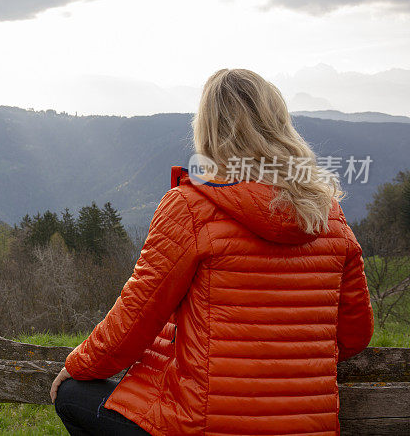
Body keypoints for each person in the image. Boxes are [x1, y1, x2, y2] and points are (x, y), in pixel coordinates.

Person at [50, 68, 374, 436]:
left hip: (202, 426)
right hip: (308, 427)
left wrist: (78, 366)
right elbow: (354, 335)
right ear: (280, 124)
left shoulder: (190, 207)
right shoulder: (328, 213)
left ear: (207, 128)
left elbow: (133, 321)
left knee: (73, 395)